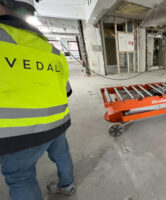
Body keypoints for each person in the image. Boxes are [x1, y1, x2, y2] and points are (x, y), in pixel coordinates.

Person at [0, 0, 76, 199]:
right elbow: (66, 90)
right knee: (62, 156)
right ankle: (67, 186)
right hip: (57, 123)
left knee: (21, 178)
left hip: (15, 133)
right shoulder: (52, 51)